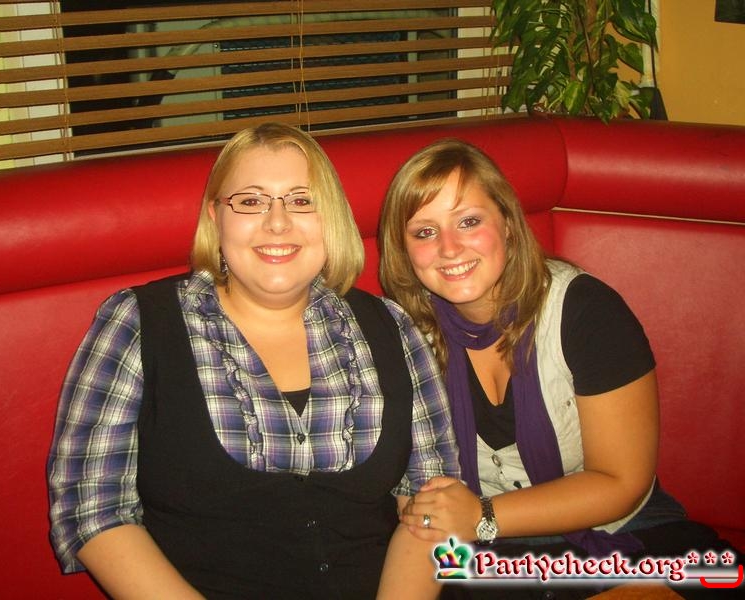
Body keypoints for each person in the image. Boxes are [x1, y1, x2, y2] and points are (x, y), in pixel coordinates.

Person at [47, 122, 460, 599]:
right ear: (215, 217)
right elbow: (93, 511)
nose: (277, 222)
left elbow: (434, 503)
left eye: (301, 200)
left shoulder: (392, 325)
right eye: (250, 201)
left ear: (331, 218)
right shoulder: (138, 323)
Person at [378, 138, 740, 599]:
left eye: (468, 221)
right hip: (488, 558)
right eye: (425, 232)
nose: (449, 248)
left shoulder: (587, 312)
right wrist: (447, 519)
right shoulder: (404, 338)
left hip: (623, 536)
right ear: (404, 250)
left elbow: (621, 483)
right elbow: (424, 512)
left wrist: (482, 516)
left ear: (508, 224)